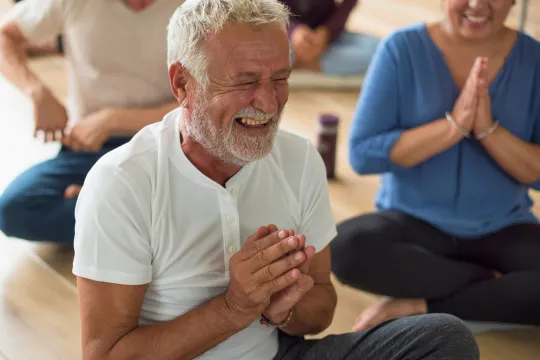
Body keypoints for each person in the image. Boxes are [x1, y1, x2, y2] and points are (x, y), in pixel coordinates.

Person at [71, 1, 480, 359]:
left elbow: (320, 308)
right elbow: (105, 355)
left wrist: (281, 306)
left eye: (280, 79)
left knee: (444, 337)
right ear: (182, 84)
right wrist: (234, 308)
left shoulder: (299, 158)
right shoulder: (120, 183)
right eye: (246, 81)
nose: (269, 103)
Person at [330, 0, 540, 332]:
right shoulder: (401, 49)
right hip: (414, 224)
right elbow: (362, 154)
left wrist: (488, 129)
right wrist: (453, 126)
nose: (476, 4)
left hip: (503, 228)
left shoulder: (535, 60)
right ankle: (489, 286)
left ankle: (422, 301)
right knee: (344, 249)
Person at [0, 0, 181, 244]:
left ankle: (110, 208)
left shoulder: (197, 6)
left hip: (173, 144)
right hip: (92, 148)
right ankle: (138, 215)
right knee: (16, 209)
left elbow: (207, 98)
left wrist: (113, 119)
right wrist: (36, 91)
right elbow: (6, 35)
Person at [279, 0, 380, 76]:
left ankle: (307, 63)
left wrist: (327, 32)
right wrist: (293, 31)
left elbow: (349, 3)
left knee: (380, 48)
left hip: (326, 32)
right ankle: (315, 61)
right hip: (280, 32)